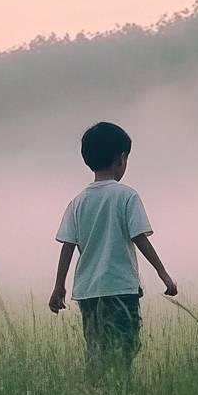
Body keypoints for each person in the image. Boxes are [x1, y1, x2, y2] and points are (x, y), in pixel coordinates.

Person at [49, 121, 177, 367]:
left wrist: (58, 286)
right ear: (121, 158)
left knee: (97, 351)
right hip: (120, 289)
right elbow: (140, 237)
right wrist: (164, 274)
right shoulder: (126, 196)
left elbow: (67, 246)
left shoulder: (77, 202)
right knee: (124, 350)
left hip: (88, 292)